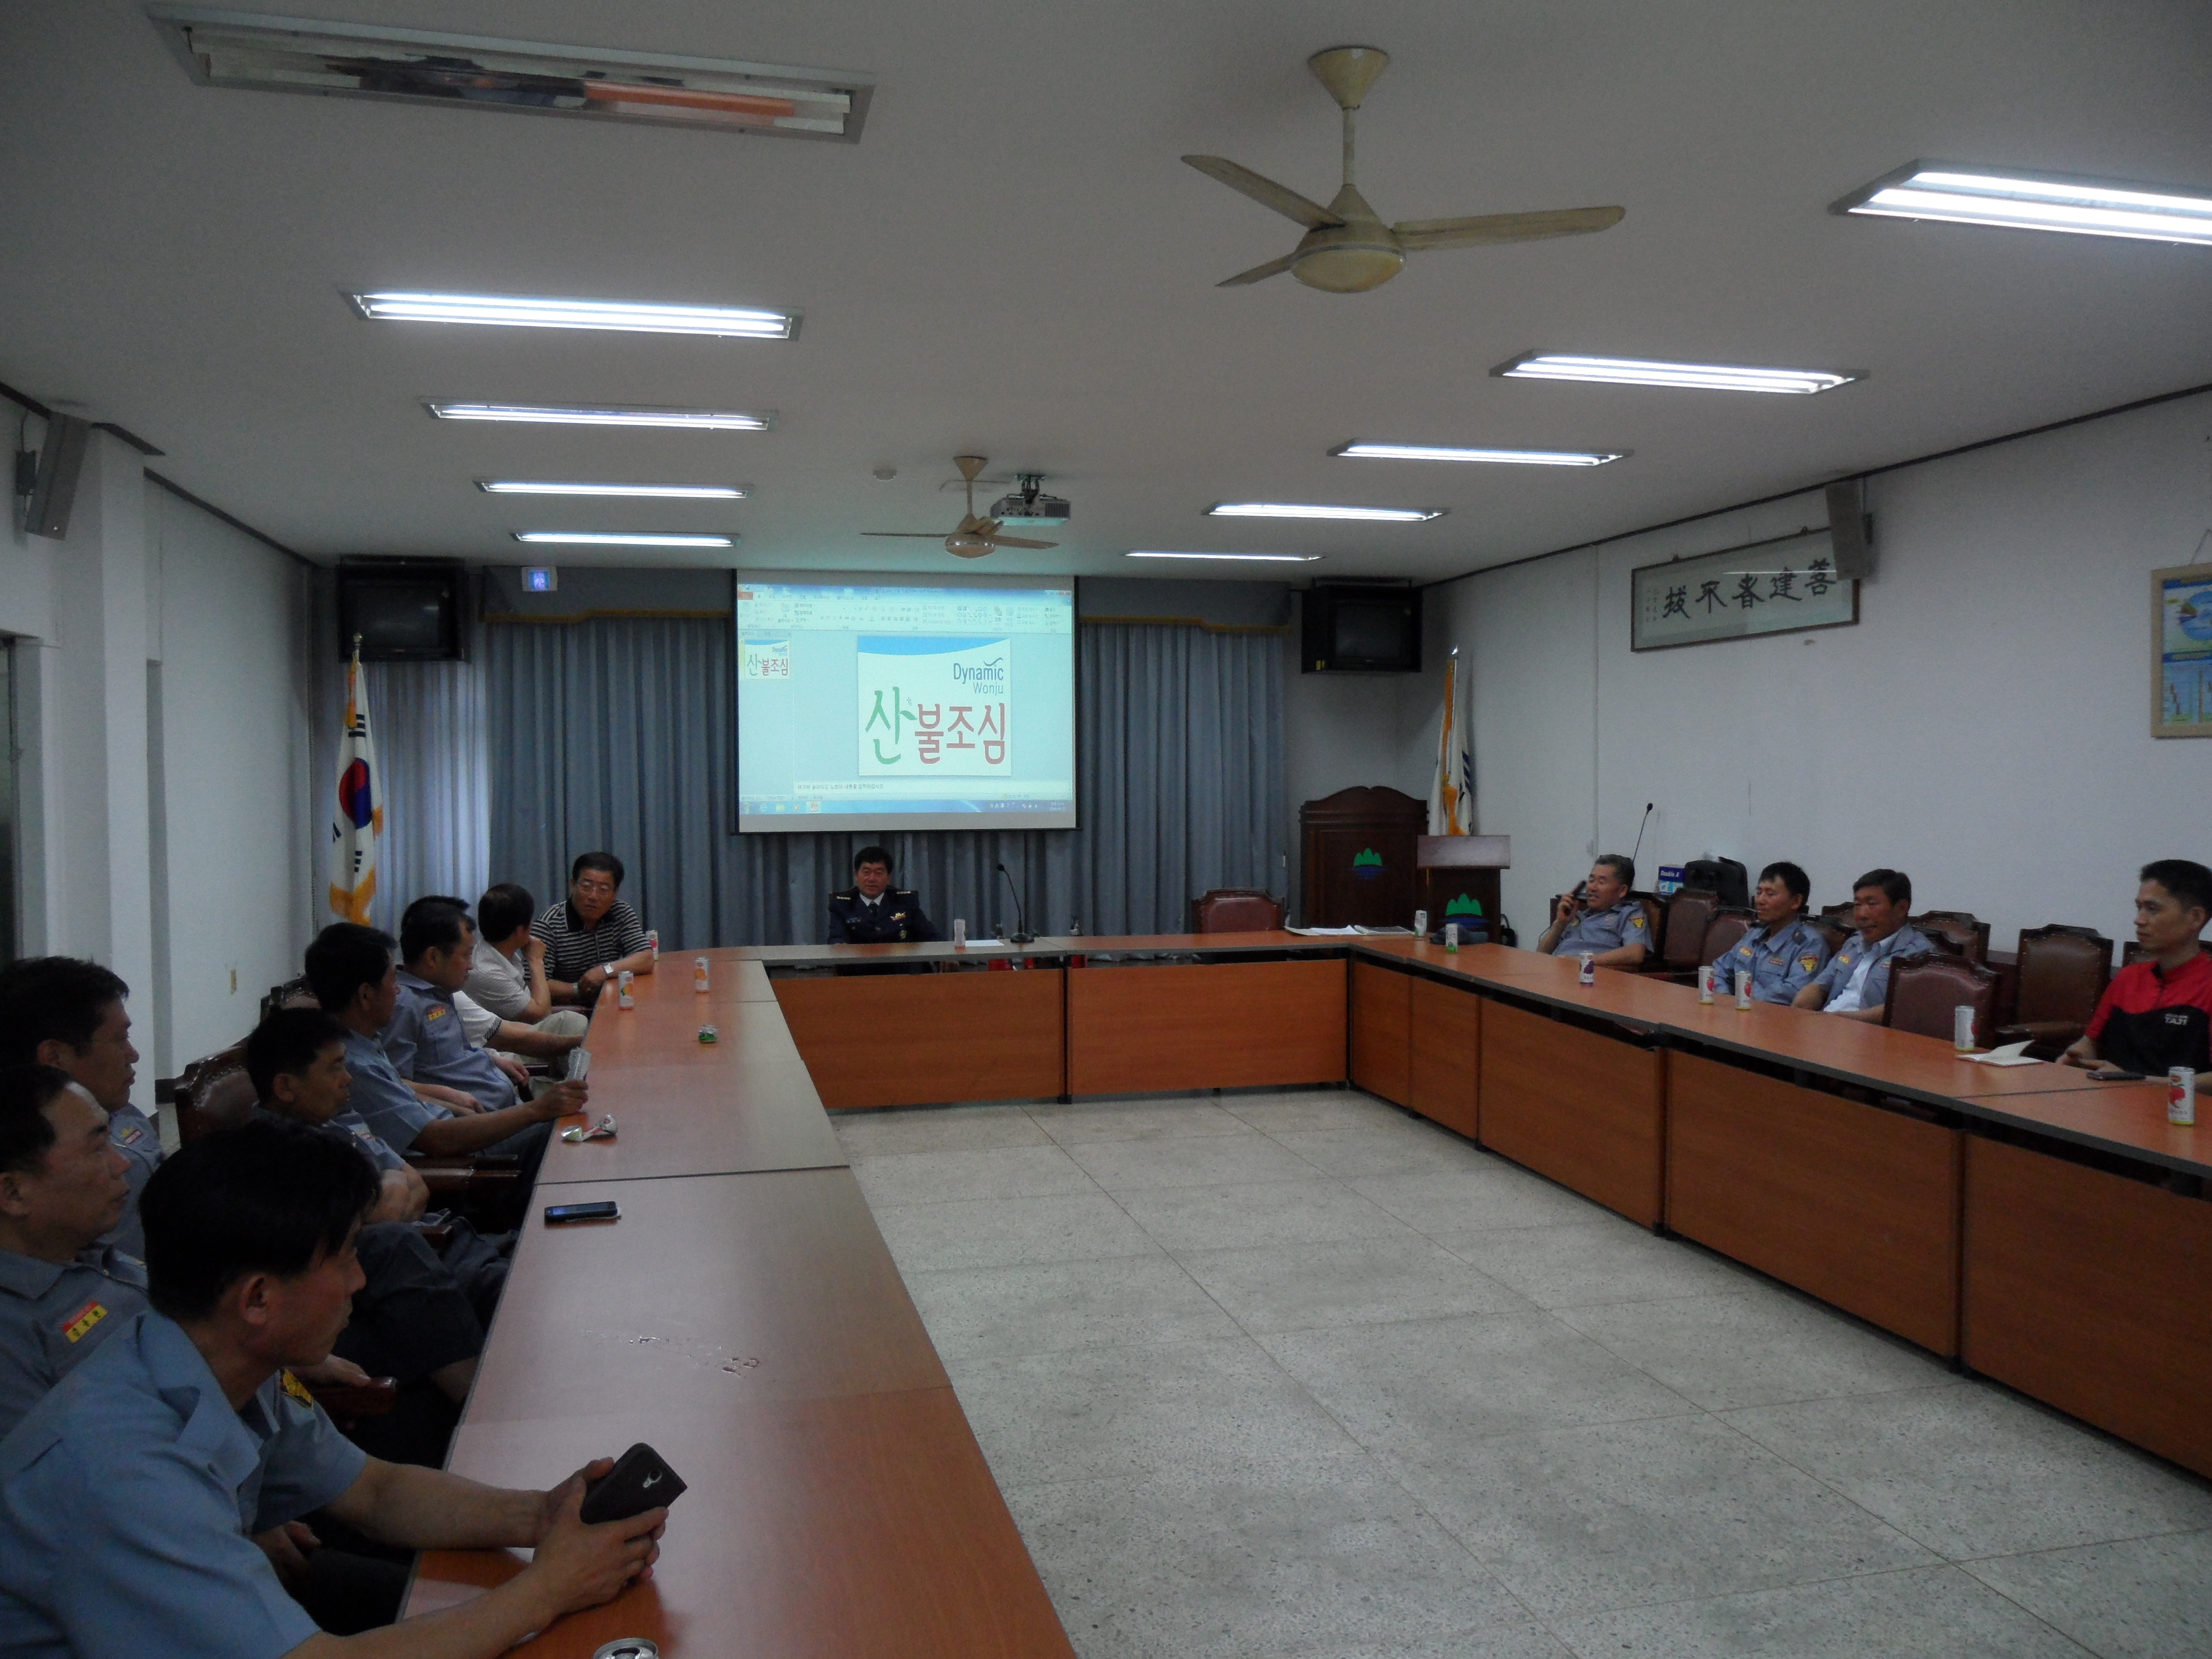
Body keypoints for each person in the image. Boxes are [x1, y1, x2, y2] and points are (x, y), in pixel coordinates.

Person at [0, 1118, 667, 1658]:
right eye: (346, 1256)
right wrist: (550, 1587)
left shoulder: (216, 1362)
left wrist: (538, 1516)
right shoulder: (125, 1474)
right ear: (257, 1299)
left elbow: (374, 1492)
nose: (359, 1280)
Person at [0, 1068, 406, 1630]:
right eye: (96, 1148)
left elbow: (374, 1491)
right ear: (13, 1192)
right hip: (163, 1564)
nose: (123, 1164)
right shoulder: (99, 1445)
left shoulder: (115, 1267)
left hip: (234, 1506)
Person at [246, 1009, 508, 1411]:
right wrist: (390, 1190)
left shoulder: (339, 1117)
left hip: (440, 1245)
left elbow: (414, 1185)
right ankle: (485, 1412)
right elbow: (383, 1221)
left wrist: (389, 1194)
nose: (348, 1078)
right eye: (335, 1067)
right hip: (403, 1273)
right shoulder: (277, 1153)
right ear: (285, 1087)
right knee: (511, 1291)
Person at [304, 923, 577, 1176]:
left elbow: (405, 1094)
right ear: (366, 995)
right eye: (393, 981)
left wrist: (449, 1102)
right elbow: (437, 1139)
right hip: (463, 1161)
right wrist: (536, 1111)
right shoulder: (353, 1066)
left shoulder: (366, 1042)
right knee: (560, 1131)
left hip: (470, 1128)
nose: (398, 991)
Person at [0, 958, 161, 1259]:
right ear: (55, 1057)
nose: (134, 1055)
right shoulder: (45, 1171)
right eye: (120, 1039)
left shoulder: (119, 1109)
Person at [2063, 859, 2212, 1077]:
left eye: (2153, 909)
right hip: (2112, 1094)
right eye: (2139, 908)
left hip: (2177, 1100)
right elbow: (2091, 1043)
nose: (2139, 920)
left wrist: (2137, 1081)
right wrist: (2076, 1057)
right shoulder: (2129, 977)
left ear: (2195, 918)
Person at [465, 884, 591, 1072]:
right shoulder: (486, 971)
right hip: (503, 1051)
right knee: (575, 1024)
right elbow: (540, 1014)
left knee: (576, 1022)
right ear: (519, 930)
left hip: (518, 1033)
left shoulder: (502, 953)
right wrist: (536, 961)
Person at [1793, 868, 1936, 1021]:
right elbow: (1820, 986)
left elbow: (1902, 1010)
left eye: (1872, 904)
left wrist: (1840, 1020)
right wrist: (1797, 1012)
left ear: (1901, 908)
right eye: (1857, 905)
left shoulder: (1919, 955)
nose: (1861, 915)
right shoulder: (1854, 943)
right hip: (1828, 1023)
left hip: (1864, 1030)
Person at [531, 853, 654, 1007]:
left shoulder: (621, 912)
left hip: (611, 1002)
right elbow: (533, 984)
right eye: (586, 887)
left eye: (603, 890)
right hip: (568, 1010)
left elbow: (646, 958)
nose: (593, 896)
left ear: (615, 893)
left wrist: (604, 971)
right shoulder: (549, 924)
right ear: (572, 885)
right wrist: (579, 990)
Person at [1709, 861, 1831, 1005]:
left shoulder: (1809, 944)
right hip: (1735, 1010)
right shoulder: (1755, 934)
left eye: (1770, 894)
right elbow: (1719, 969)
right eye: (1759, 893)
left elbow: (1793, 992)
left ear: (1796, 902)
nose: (1760, 900)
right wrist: (1725, 997)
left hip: (1773, 1016)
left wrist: (1744, 1000)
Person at [1537, 854, 1650, 968]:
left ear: (1622, 891)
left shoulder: (1628, 914)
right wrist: (1560, 923)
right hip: (1554, 969)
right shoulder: (1578, 915)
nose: (1592, 888)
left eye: (1601, 882)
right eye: (1591, 881)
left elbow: (1635, 953)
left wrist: (1584, 961)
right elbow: (1541, 954)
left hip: (1585, 973)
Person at [826, 844, 941, 944]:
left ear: (889, 878)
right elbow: (837, 939)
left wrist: (944, 956)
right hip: (858, 963)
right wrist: (840, 947)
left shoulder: (905, 902)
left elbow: (931, 936)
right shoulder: (842, 905)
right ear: (856, 875)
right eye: (867, 873)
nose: (872, 879)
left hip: (900, 963)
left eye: (879, 873)